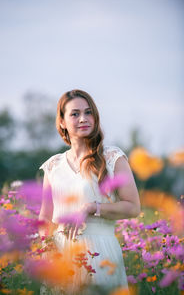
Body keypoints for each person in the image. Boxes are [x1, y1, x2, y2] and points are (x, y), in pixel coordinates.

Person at [39, 89, 140, 295]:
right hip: (60, 255)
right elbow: (45, 217)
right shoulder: (53, 165)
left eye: (88, 112)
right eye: (75, 114)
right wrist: (45, 250)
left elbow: (133, 207)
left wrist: (91, 207)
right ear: (62, 122)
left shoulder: (112, 157)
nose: (83, 119)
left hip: (101, 252)